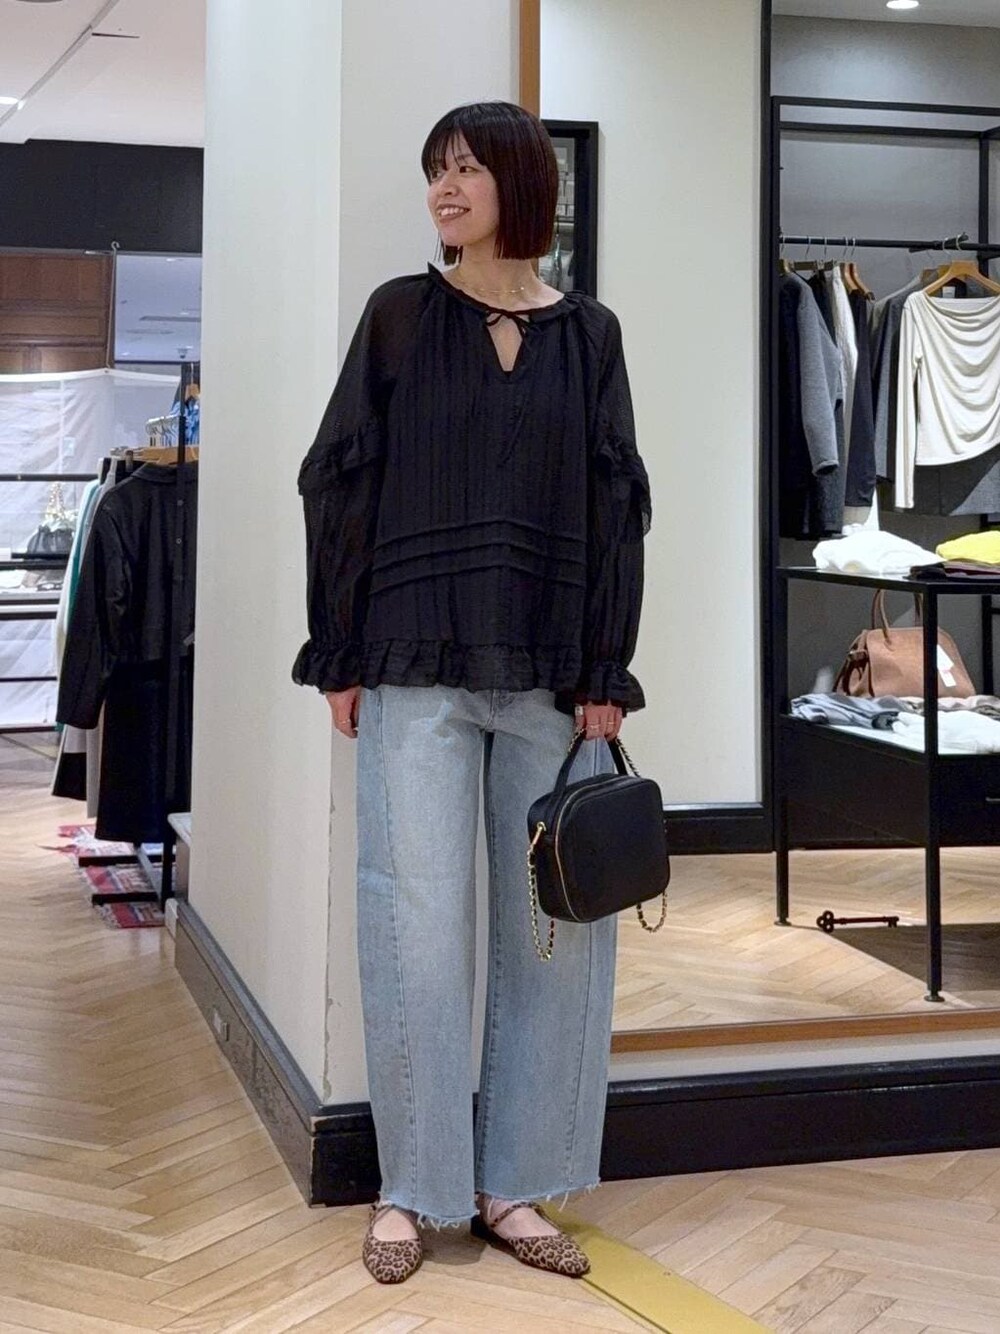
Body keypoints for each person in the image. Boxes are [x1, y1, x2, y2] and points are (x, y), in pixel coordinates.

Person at [293, 100, 650, 1285]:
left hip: (549, 678)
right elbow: (339, 481)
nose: (443, 188)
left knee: (551, 938)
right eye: (434, 169)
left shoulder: (590, 335)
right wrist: (340, 648)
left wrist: (604, 670)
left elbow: (615, 505)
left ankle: (514, 1184)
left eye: (466, 169)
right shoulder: (399, 316)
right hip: (413, 665)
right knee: (416, 926)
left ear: (520, 183)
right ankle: (414, 1185)